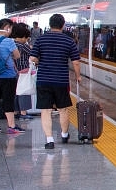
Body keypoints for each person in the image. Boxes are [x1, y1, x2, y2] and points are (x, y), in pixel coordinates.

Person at [30, 13, 82, 149]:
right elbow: (76, 62)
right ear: (63, 25)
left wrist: (41, 60)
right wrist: (78, 76)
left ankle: (49, 140)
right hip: (61, 80)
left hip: (43, 80)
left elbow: (33, 58)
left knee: (45, 110)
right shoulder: (68, 41)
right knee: (63, 109)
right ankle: (64, 135)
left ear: (50, 24)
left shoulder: (41, 40)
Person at [0, 19, 25, 135]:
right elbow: (17, 56)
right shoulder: (8, 41)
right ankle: (12, 126)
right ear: (7, 27)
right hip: (7, 75)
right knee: (8, 100)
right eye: (11, 28)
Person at [10, 22, 34, 121]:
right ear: (23, 37)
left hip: (14, 71)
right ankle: (23, 113)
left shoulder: (12, 43)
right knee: (24, 91)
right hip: (23, 71)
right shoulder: (23, 45)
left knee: (16, 92)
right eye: (26, 38)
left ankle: (16, 112)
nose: (27, 40)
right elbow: (33, 54)